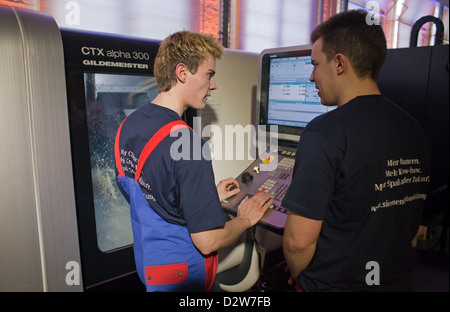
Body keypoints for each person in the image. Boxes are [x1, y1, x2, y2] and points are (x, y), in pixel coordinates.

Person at [282, 9, 431, 291]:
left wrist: (299, 276)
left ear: (339, 63)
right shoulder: (414, 129)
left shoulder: (323, 133)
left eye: (315, 64)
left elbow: (297, 242)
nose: (312, 77)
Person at [114, 31, 272, 292]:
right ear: (182, 72)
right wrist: (244, 219)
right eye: (209, 74)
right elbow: (207, 242)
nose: (213, 85)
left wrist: (202, 196)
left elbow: (147, 189)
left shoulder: (128, 125)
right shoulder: (188, 145)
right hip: (181, 276)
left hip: (150, 266)